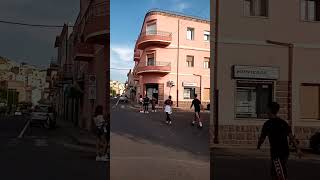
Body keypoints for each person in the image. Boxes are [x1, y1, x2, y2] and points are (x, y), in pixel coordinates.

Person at [257, 102, 302, 180]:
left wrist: (258, 145)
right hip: (285, 152)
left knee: (279, 174)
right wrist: (297, 149)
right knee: (276, 172)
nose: (266, 111)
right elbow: (291, 137)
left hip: (277, 153)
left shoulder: (268, 124)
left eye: (267, 109)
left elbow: (262, 138)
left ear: (269, 110)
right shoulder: (283, 123)